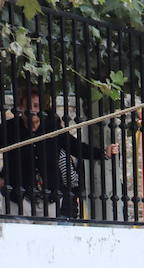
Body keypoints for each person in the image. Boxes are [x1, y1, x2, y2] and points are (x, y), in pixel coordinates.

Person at [1, 88, 119, 218]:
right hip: (18, 198)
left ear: (43, 109)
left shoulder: (52, 128)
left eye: (36, 106)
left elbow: (76, 147)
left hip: (49, 198)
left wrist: (103, 153)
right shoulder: (8, 128)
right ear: (20, 107)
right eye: (28, 106)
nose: (32, 110)